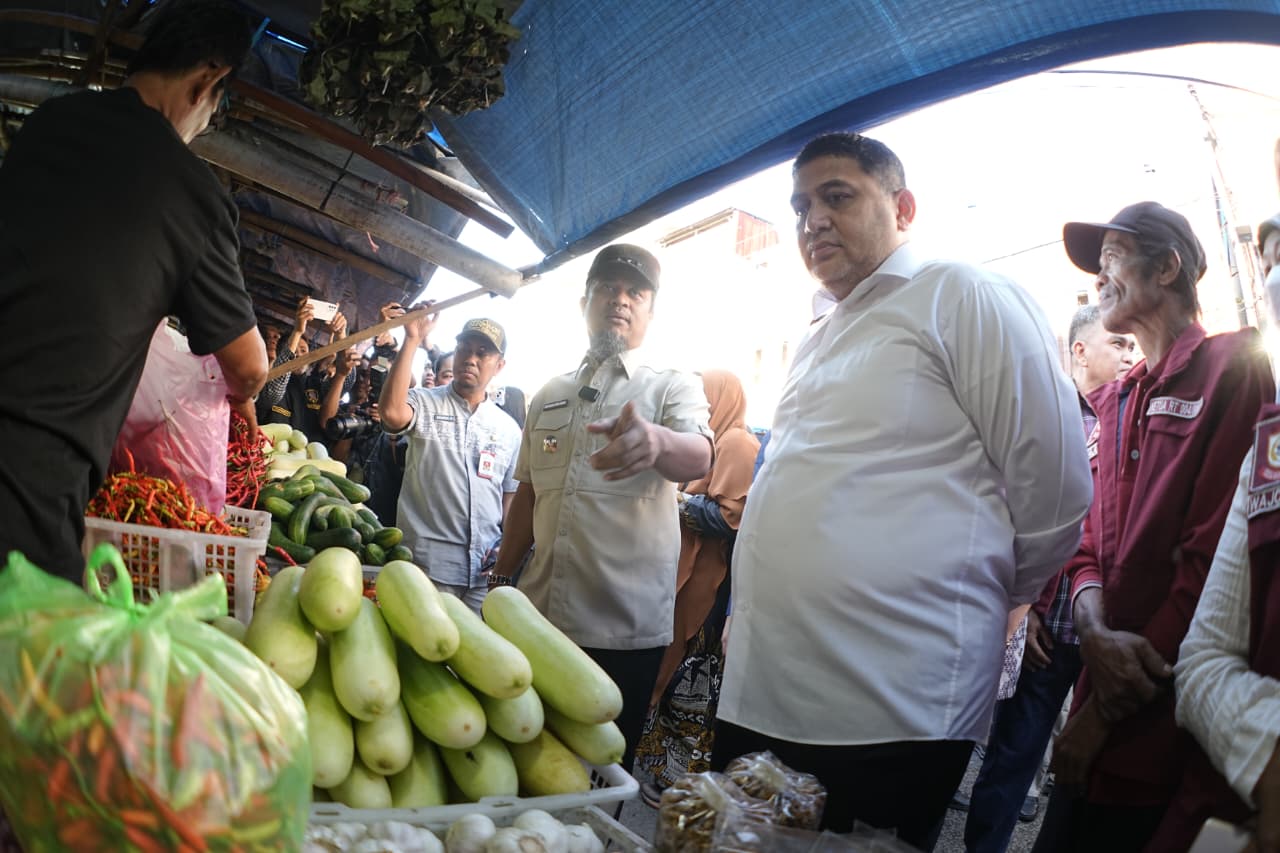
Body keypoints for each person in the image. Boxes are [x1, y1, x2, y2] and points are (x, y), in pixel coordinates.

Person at [711, 132, 1093, 846]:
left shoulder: (963, 294)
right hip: (767, 687)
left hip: (886, 702)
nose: (811, 221)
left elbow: (1058, 493)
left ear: (904, 207)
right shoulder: (821, 335)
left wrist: (997, 594)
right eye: (799, 207)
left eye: (837, 196)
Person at [1033, 202, 1274, 853]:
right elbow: (1084, 549)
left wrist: (1101, 715)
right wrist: (1093, 630)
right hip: (1093, 712)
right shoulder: (1115, 399)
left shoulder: (1235, 369)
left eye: (1110, 256)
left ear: (1167, 266)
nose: (1097, 278)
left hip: (1156, 737)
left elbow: (1207, 574)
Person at [0, 0, 267, 583]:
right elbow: (247, 368)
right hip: (30, 478)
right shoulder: (192, 192)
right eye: (215, 110)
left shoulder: (50, 122)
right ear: (208, 80)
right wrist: (242, 398)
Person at [488, 243, 713, 772]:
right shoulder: (549, 394)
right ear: (585, 301)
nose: (621, 299)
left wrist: (655, 442)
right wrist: (500, 582)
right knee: (528, 764)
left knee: (600, 776)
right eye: (608, 287)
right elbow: (528, 493)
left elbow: (700, 455)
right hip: (539, 620)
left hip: (623, 630)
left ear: (651, 311)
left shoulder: (670, 386)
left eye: (636, 292)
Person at [962, 305, 1135, 852]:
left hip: (1111, 631)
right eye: (1119, 344)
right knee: (1012, 758)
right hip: (1049, 628)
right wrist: (1027, 606)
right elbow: (1022, 517)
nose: (1130, 355)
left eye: (1134, 346)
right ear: (1080, 351)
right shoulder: (1046, 416)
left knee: (1092, 772)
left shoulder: (1138, 420)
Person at [635, 369, 760, 803]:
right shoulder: (711, 444)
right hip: (685, 576)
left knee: (693, 686)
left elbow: (732, 519)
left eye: (706, 399)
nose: (700, 409)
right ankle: (663, 771)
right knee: (672, 676)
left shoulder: (737, 443)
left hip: (709, 588)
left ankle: (678, 782)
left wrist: (679, 501)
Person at [380, 314, 521, 613]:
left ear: (499, 366)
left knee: (473, 656)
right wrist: (412, 340)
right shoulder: (424, 402)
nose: (470, 358)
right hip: (426, 569)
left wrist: (504, 560)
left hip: (482, 578)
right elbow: (392, 414)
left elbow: (510, 499)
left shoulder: (508, 429)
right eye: (464, 349)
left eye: (482, 353)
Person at [258, 296, 349, 439]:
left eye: (303, 351)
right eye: (295, 351)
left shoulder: (315, 384)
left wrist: (341, 334)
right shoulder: (272, 382)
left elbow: (346, 380)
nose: (299, 356)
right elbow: (271, 395)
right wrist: (297, 331)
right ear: (284, 353)